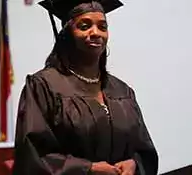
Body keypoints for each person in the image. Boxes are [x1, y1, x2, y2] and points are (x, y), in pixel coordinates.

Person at [13, 0, 159, 174]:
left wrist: (134, 164)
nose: (96, 33)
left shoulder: (122, 91)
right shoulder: (44, 86)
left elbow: (144, 150)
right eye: (84, 26)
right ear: (67, 34)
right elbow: (32, 156)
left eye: (102, 27)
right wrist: (87, 169)